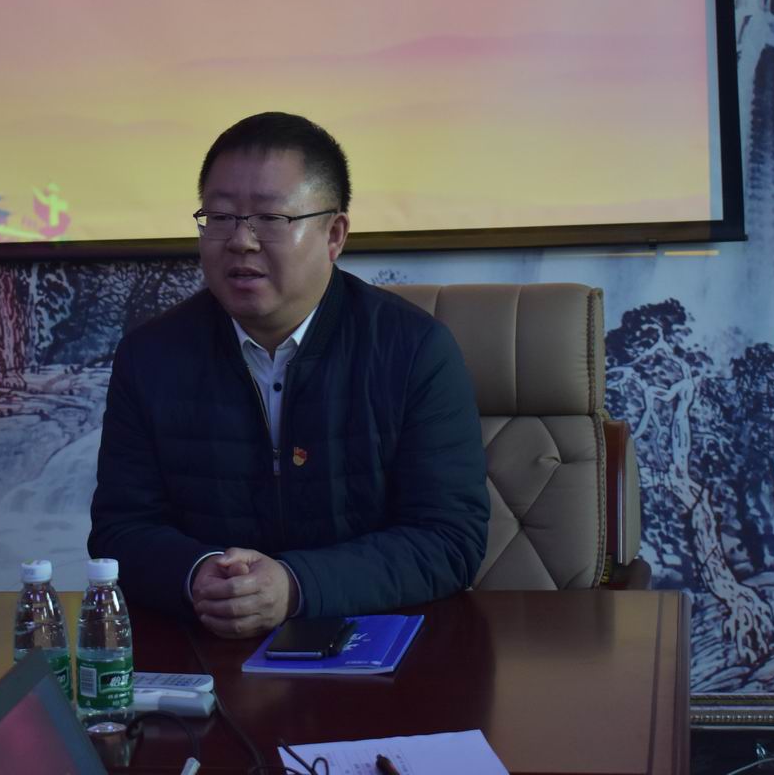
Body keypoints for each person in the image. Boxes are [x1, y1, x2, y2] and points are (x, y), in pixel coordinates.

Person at [89, 113, 488, 638]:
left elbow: (449, 539)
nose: (241, 241)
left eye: (270, 218)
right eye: (220, 217)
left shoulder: (413, 351)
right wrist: (197, 574)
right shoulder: (151, 357)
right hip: (207, 650)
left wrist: (294, 585)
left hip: (374, 649)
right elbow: (119, 531)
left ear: (334, 234)